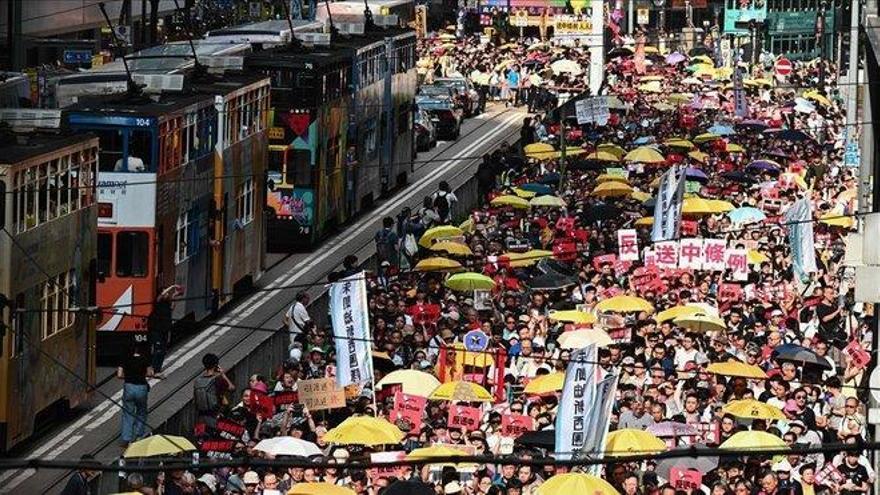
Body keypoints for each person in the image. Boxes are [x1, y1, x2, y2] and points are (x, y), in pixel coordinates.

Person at [117, 342, 155, 446]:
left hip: (129, 387)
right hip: (141, 387)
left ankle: (126, 438)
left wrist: (129, 376)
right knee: (141, 412)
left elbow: (119, 375)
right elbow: (149, 373)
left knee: (127, 413)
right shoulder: (145, 359)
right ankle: (139, 436)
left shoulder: (125, 359)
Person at [193, 352, 234, 427]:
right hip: (215, 418)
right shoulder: (218, 379)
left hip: (201, 419)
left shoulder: (197, 381)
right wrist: (222, 374)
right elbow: (232, 388)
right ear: (216, 365)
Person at [147, 285, 177, 375]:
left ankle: (158, 369)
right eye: (166, 293)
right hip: (156, 329)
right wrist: (172, 287)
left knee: (163, 351)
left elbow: (172, 308)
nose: (167, 294)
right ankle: (153, 368)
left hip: (165, 329)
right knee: (158, 349)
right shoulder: (158, 301)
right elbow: (161, 295)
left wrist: (174, 296)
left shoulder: (167, 303)